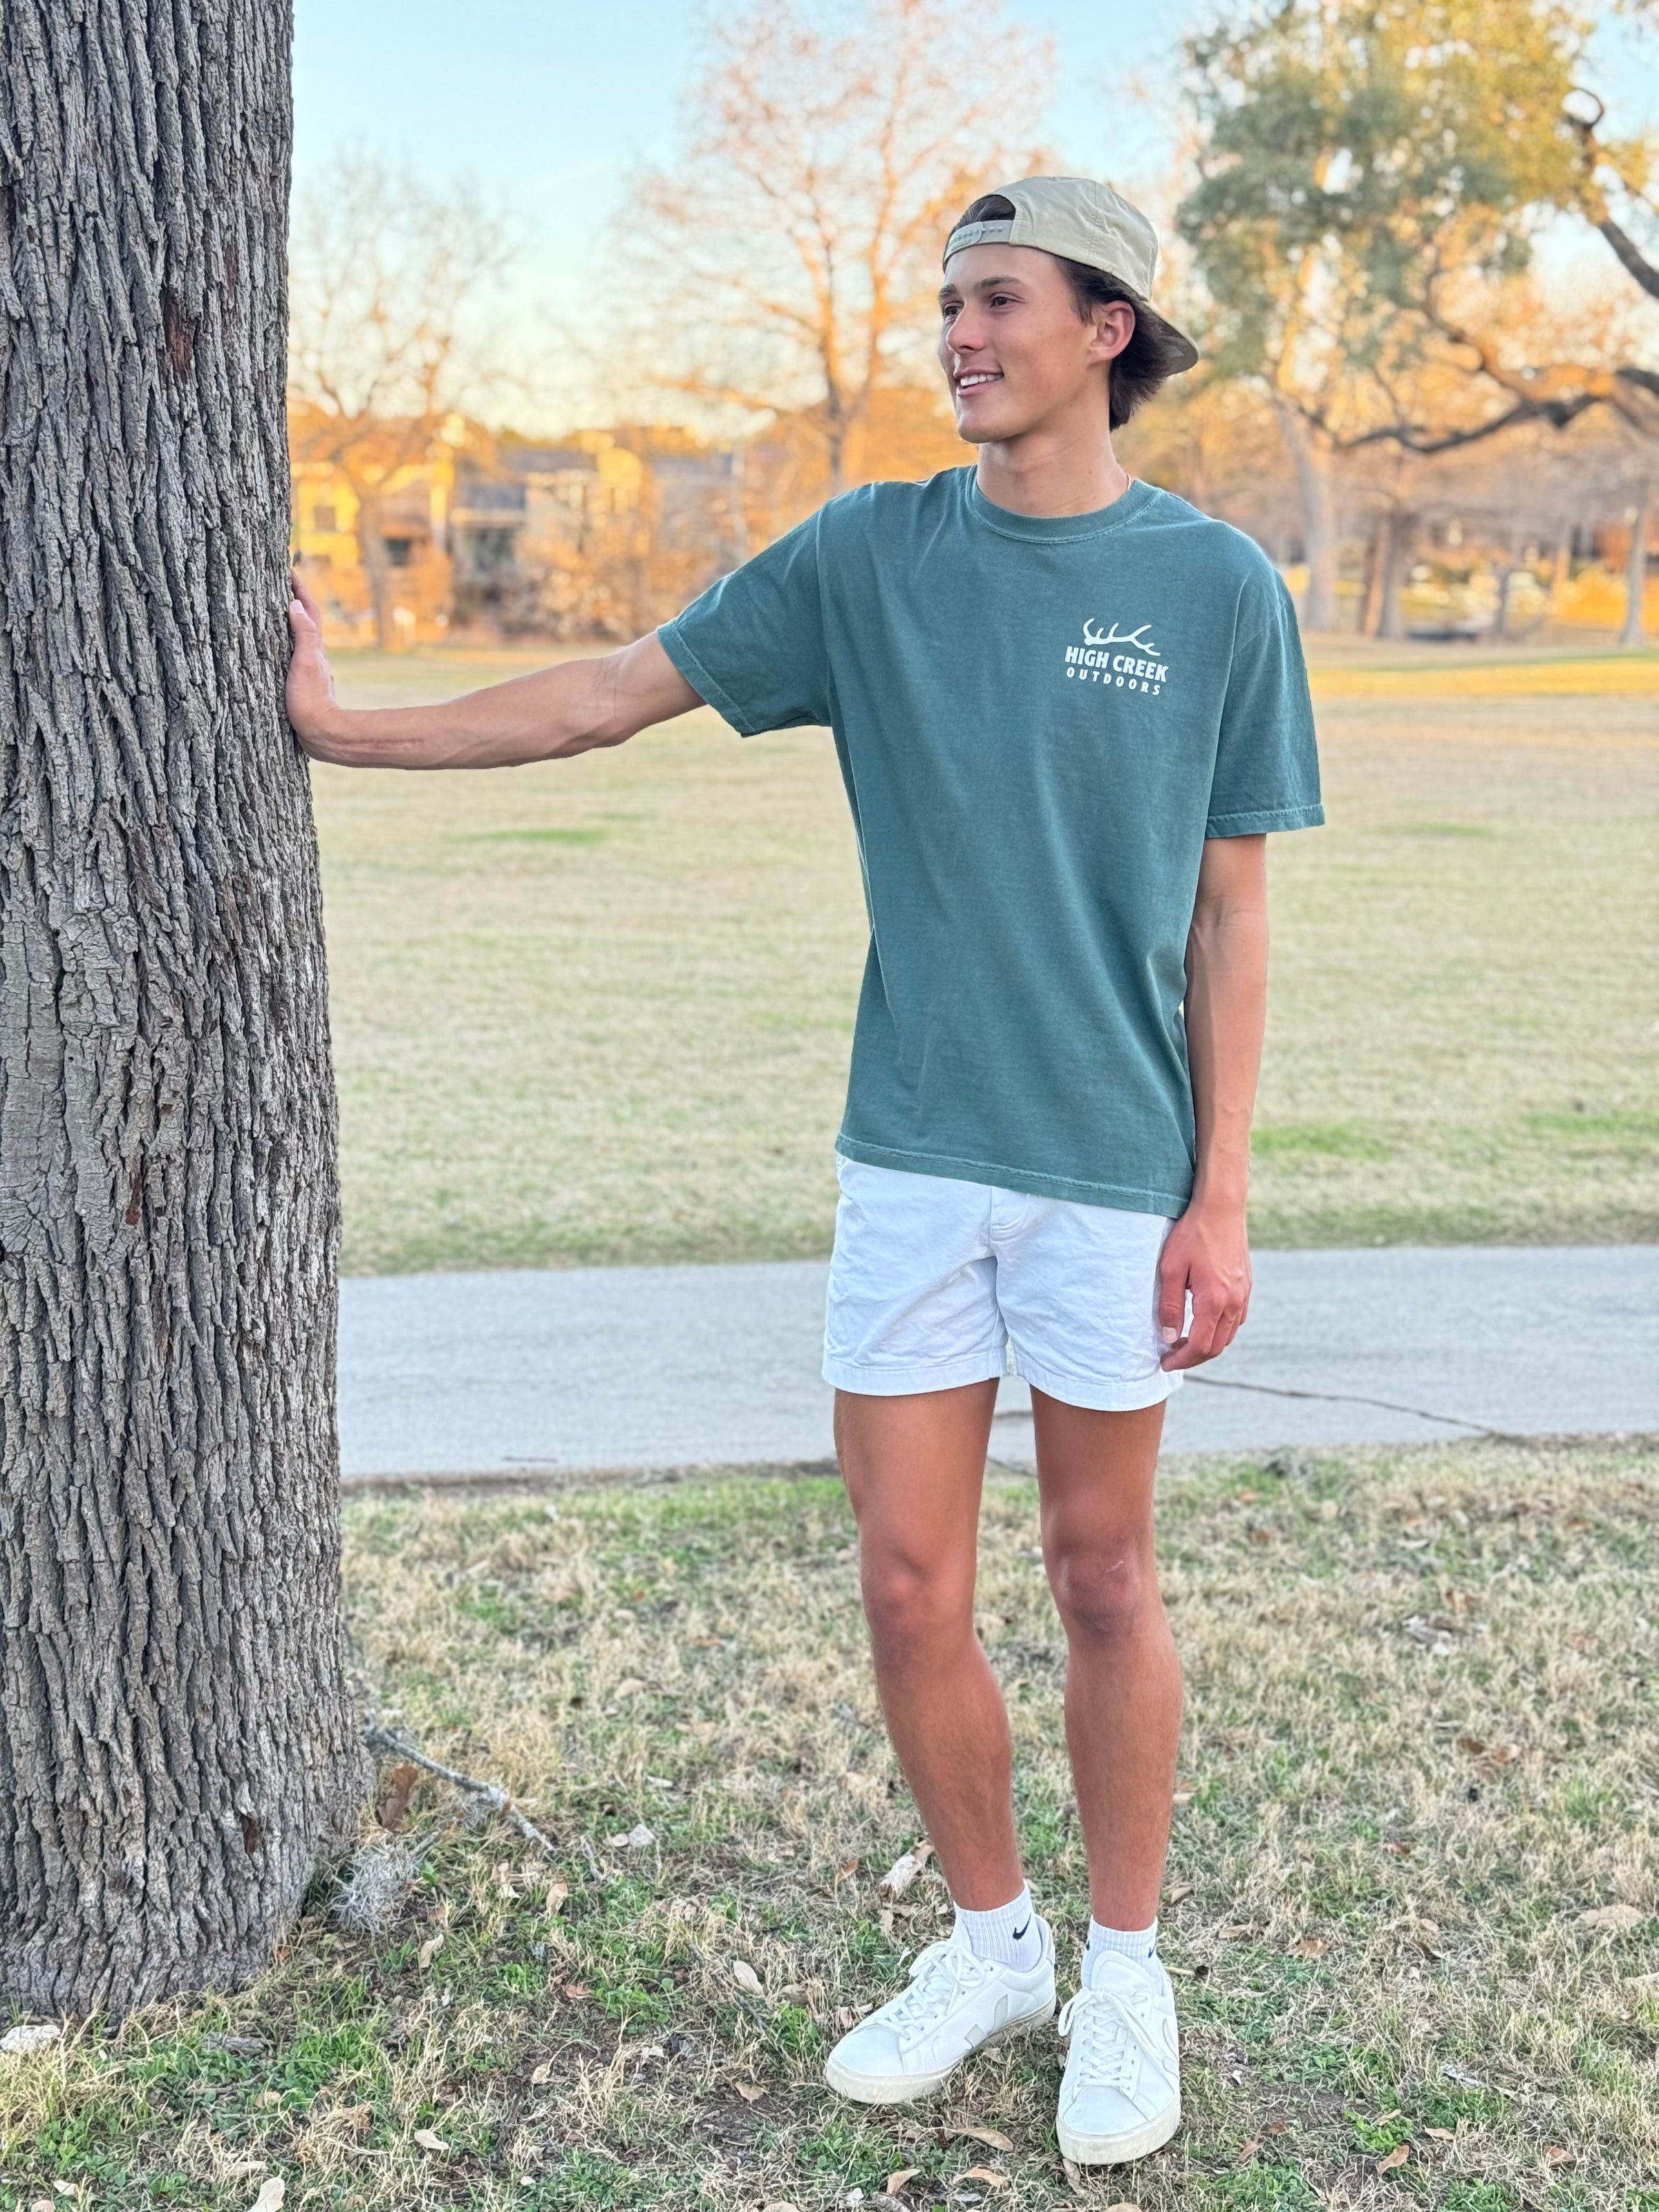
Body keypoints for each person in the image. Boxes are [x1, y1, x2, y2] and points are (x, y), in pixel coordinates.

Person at [286, 174, 1322, 2168]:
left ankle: (1127, 1973)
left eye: (997, 301)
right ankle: (994, 1944)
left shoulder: (1217, 591)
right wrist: (343, 729)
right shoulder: (869, 553)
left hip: (1114, 1172)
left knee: (1103, 1573)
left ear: (1105, 329)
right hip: (912, 1159)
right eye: (949, 304)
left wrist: (1222, 1193)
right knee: (910, 1582)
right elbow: (607, 693)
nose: (960, 336)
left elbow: (1230, 912)